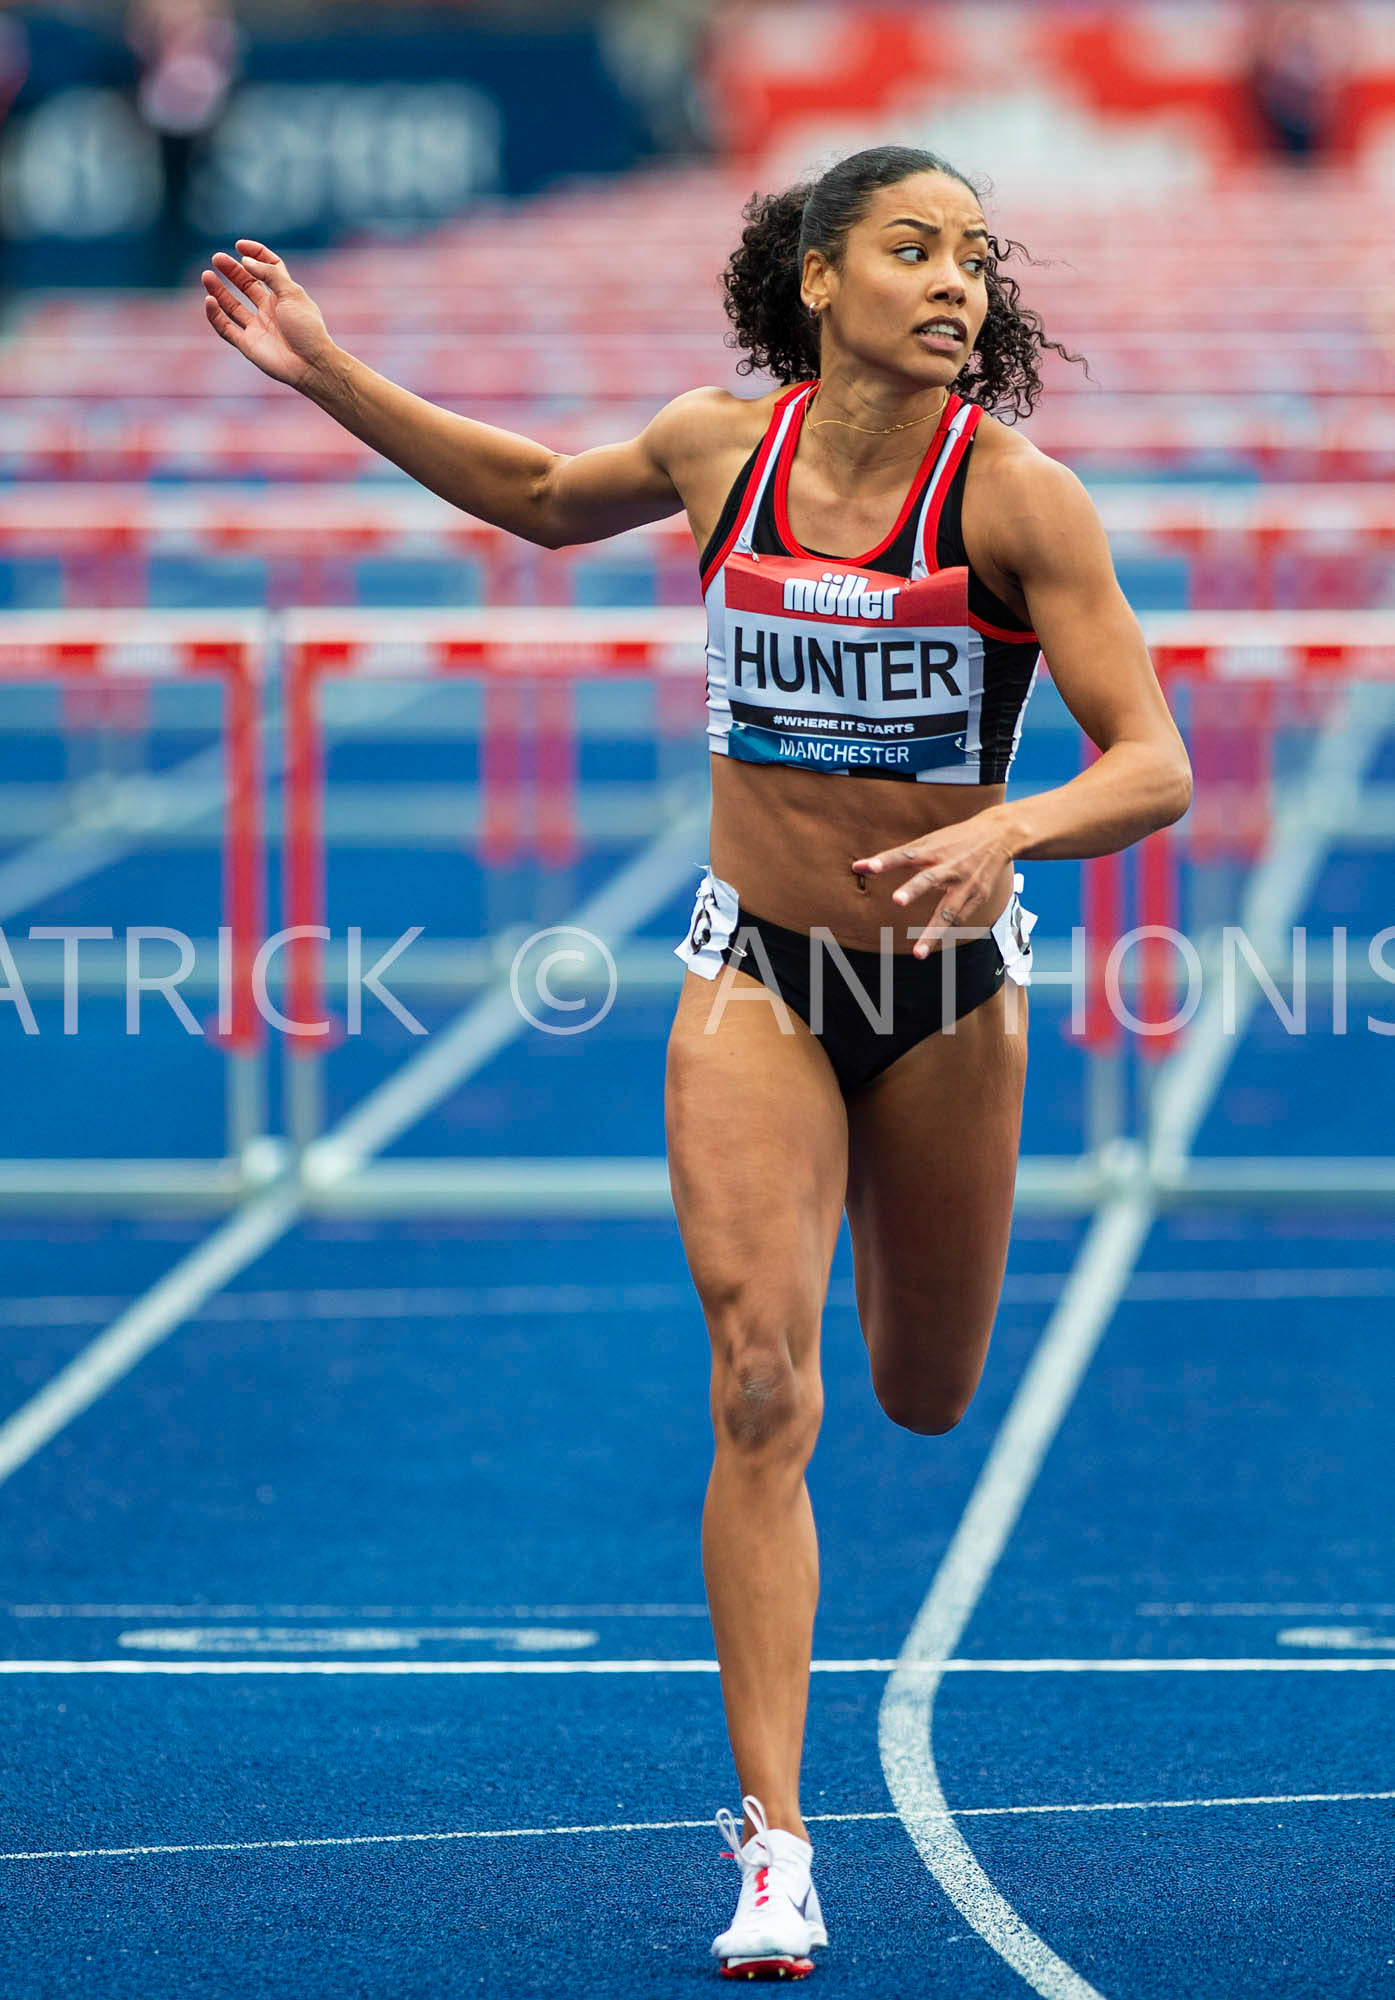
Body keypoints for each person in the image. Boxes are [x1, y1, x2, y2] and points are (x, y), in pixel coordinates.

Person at [201, 144, 1191, 1980]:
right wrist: (329, 373)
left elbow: (1155, 764)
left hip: (953, 994)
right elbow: (529, 496)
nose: (954, 280)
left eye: (975, 254)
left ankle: (888, 1390)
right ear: (817, 279)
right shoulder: (714, 449)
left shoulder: (1023, 505)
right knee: (761, 1386)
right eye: (912, 248)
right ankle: (777, 1842)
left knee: (921, 1395)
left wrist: (1014, 832)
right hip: (756, 978)